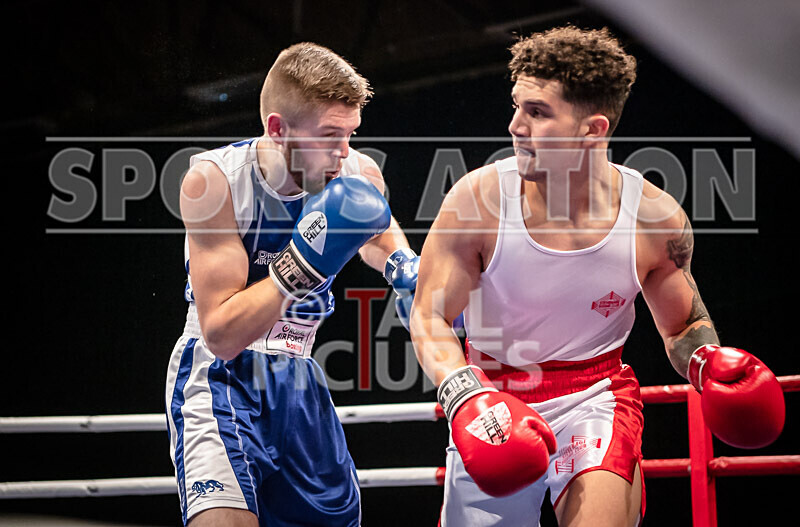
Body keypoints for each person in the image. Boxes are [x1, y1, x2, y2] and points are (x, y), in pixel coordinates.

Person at [392, 26, 785, 526]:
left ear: (593, 129)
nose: (515, 125)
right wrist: (464, 393)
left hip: (594, 396)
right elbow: (429, 316)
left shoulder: (652, 219)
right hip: (491, 399)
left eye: (537, 112)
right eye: (517, 106)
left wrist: (707, 362)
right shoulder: (477, 203)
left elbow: (683, 326)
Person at [165, 42, 412, 527]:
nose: (344, 153)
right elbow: (222, 334)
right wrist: (299, 264)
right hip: (221, 379)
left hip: (300, 378)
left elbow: (379, 238)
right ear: (278, 129)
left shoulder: (359, 174)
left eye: (350, 134)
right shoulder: (214, 182)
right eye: (329, 136)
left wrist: (407, 270)